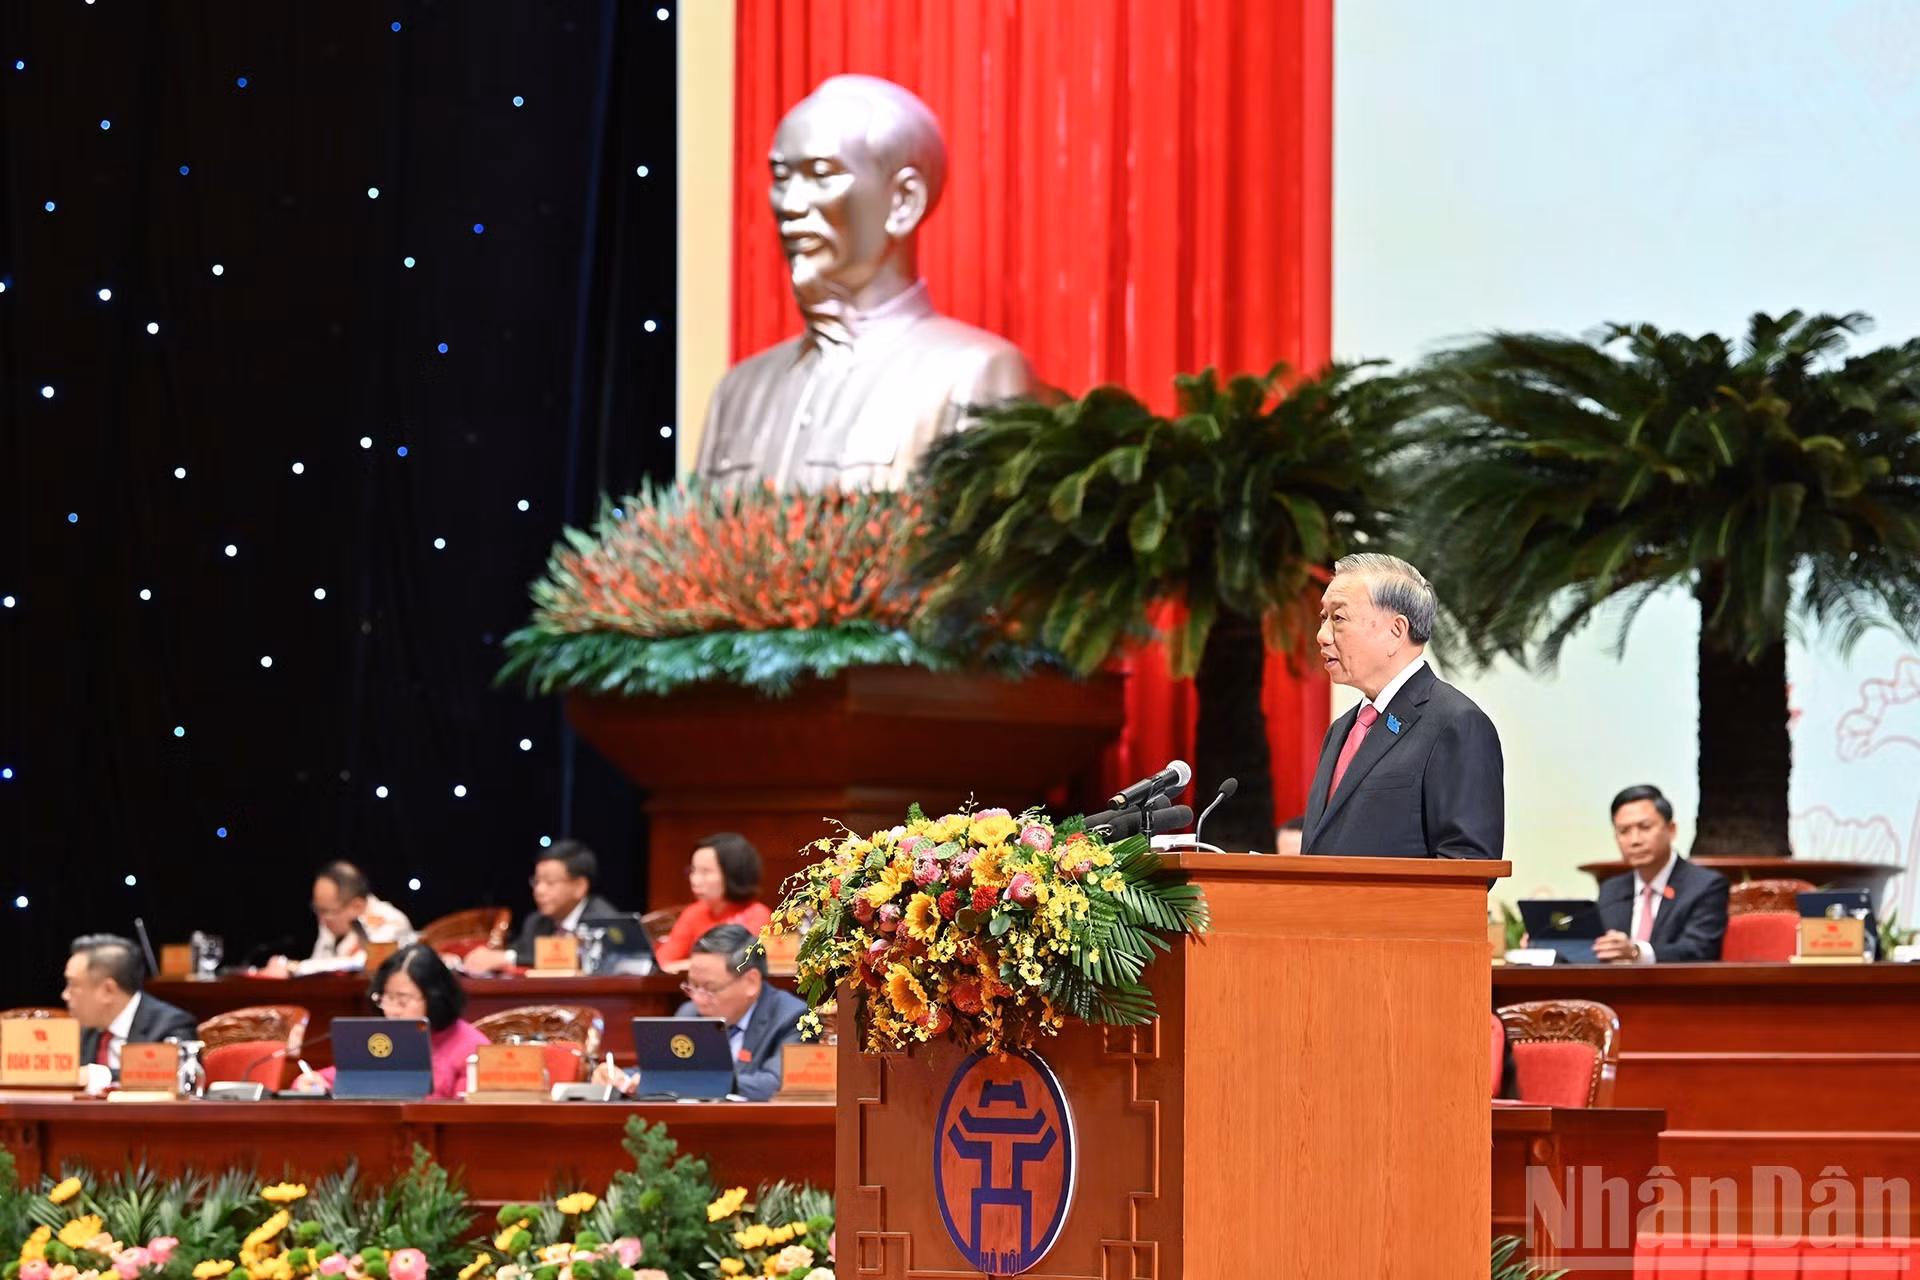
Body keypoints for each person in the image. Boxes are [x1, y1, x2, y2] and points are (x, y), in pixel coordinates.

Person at [693, 74, 1032, 493]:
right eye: (781, 177)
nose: (791, 204)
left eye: (821, 174)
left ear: (903, 200)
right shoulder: (739, 391)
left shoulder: (974, 374)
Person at [1301, 553, 1504, 859]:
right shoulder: (1341, 730)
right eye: (1323, 618)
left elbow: (1466, 864)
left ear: (1396, 631)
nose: (1322, 635)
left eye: (1338, 619)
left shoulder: (1456, 723)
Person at [593, 924, 809, 1101]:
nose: (697, 999)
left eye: (709, 989)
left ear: (751, 982)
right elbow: (660, 1071)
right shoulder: (690, 1013)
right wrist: (621, 1077)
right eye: (692, 986)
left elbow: (777, 1084)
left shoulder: (793, 1018)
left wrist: (695, 1082)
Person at [293, 943, 488, 1099]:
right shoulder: (387, 1037)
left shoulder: (471, 1046)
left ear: (434, 998)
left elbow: (468, 1117)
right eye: (386, 999)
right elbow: (347, 1075)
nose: (393, 1011)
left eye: (402, 1001)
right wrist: (314, 1082)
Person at [1592, 784, 1729, 963]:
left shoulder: (1705, 885)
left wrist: (1636, 952)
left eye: (1645, 827)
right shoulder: (1612, 890)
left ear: (1671, 830)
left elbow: (1699, 949)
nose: (1635, 840)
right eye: (1624, 831)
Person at [460, 842, 619, 974]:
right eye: (536, 882)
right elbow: (521, 953)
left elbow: (586, 963)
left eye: (549, 883)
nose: (539, 891)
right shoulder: (536, 922)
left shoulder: (606, 921)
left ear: (579, 886)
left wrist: (507, 958)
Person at [64, 934, 199, 1080]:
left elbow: (175, 1076)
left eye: (73, 985)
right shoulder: (84, 1031)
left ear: (108, 990)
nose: (65, 995)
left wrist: (102, 1076)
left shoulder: (171, 1026)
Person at [261, 861, 414, 976]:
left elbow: (366, 963)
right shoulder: (330, 920)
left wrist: (295, 968)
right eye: (318, 911)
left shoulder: (393, 922)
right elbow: (318, 965)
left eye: (327, 912)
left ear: (357, 906)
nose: (322, 921)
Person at [653, 833, 774, 971]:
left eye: (705, 872)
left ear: (733, 874)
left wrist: (689, 965)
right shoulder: (694, 913)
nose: (695, 880)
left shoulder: (757, 915)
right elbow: (663, 963)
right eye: (693, 871)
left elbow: (737, 965)